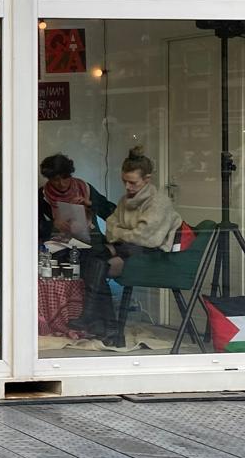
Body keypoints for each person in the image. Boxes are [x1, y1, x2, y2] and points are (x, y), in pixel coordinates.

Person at [72, 146, 182, 345]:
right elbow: (111, 227)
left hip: (154, 257)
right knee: (92, 258)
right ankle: (108, 327)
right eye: (124, 181)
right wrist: (124, 235)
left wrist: (121, 234)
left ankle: (104, 324)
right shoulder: (125, 200)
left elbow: (146, 238)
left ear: (147, 179)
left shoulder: (159, 202)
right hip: (129, 249)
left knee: (100, 263)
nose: (128, 187)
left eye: (133, 182)